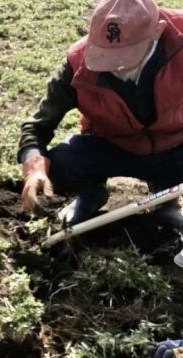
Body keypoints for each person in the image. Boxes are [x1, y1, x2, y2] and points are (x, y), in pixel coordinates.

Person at [18, 0, 183, 228]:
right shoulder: (77, 64)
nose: (113, 64)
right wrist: (34, 166)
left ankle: (166, 200)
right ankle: (92, 194)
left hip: (175, 146)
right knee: (60, 164)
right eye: (105, 53)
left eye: (125, 54)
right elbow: (38, 126)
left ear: (158, 31)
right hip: (111, 146)